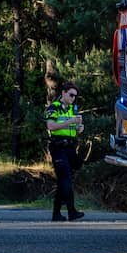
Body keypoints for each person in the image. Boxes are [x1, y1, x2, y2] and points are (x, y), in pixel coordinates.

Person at [46, 81, 85, 222]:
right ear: (63, 93)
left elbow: (73, 128)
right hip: (58, 147)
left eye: (75, 96)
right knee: (65, 179)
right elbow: (51, 126)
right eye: (71, 95)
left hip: (70, 147)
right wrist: (70, 122)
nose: (73, 98)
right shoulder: (54, 107)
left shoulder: (72, 109)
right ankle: (71, 211)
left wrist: (79, 128)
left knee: (64, 181)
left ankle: (56, 214)